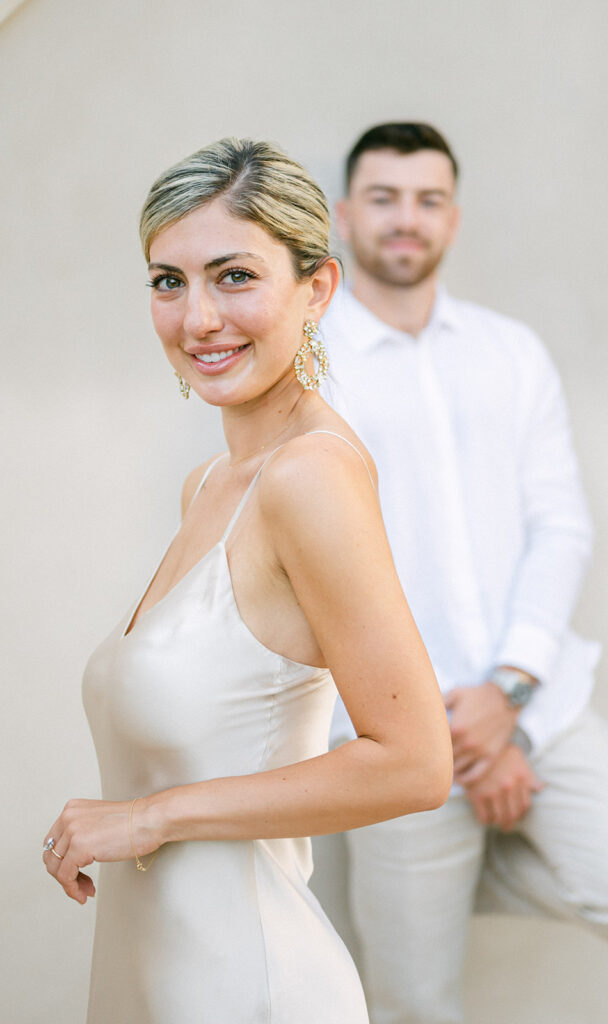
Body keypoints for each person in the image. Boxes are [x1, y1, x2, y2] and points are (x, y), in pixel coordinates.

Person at [40, 136, 454, 1024]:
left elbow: (416, 763)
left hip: (249, 988)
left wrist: (149, 817)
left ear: (317, 289)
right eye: (168, 281)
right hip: (153, 981)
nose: (196, 319)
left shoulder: (311, 476)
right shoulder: (211, 485)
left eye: (234, 276)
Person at [314, 122, 608, 1024]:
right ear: (344, 214)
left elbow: (560, 526)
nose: (407, 219)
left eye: (428, 200)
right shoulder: (307, 366)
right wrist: (449, 728)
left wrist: (505, 698)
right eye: (386, 197)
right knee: (413, 1001)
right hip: (392, 728)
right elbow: (318, 572)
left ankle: (434, 879)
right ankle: (413, 891)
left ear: (453, 217)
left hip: (534, 700)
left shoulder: (509, 351)